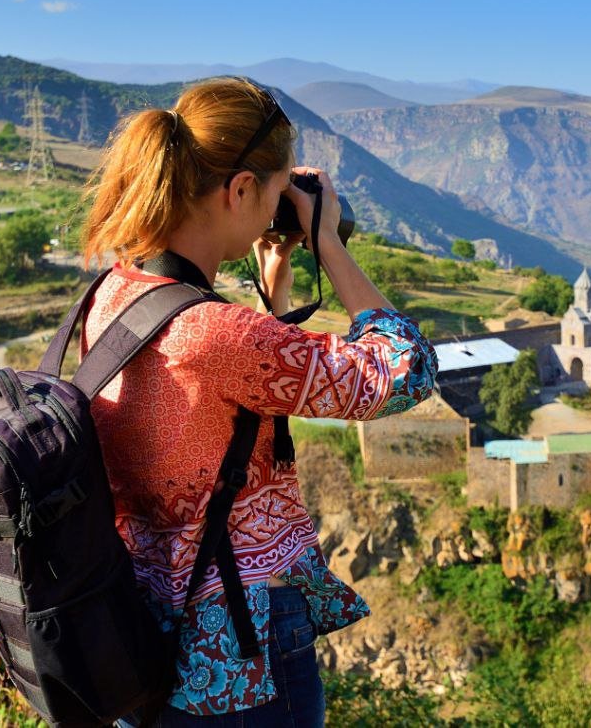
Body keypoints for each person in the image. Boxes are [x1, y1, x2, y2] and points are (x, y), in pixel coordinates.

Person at [79, 77, 437, 726]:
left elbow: (225, 402)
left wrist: (274, 286)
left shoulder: (110, 296)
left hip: (145, 640)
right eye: (275, 194)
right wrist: (329, 242)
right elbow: (404, 371)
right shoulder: (217, 334)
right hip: (242, 657)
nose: (281, 207)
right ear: (241, 189)